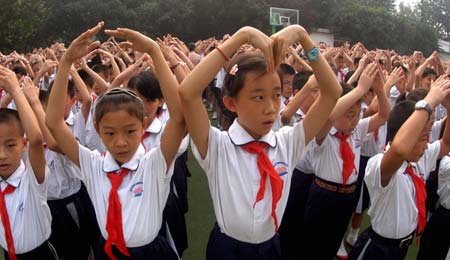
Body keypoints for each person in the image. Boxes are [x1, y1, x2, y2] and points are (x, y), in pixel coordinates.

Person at [179, 25, 342, 259]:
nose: (271, 107)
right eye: (258, 97)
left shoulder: (288, 142)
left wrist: (303, 37)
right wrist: (241, 36)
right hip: (228, 250)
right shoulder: (217, 146)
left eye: (277, 95)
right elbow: (188, 92)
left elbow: (331, 92)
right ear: (231, 103)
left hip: (271, 247)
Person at [46, 22, 186, 259]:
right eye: (110, 133)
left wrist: (154, 51)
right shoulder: (93, 164)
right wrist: (66, 62)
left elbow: (180, 119)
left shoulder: (154, 163)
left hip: (150, 253)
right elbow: (53, 124)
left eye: (130, 131)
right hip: (108, 251)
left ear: (143, 126)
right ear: (98, 130)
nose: (121, 142)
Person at [348, 76, 450, 260]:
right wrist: (427, 104)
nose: (427, 145)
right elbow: (399, 149)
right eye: (422, 138)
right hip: (377, 248)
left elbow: (446, 143)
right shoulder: (379, 163)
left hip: (401, 246)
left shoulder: (419, 158)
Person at [300, 63, 390, 260]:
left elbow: (384, 115)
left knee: (332, 241)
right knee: (312, 244)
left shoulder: (356, 131)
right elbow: (327, 116)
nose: (355, 120)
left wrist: (380, 89)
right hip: (324, 195)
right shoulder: (323, 133)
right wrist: (359, 89)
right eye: (350, 115)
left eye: (357, 115)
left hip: (347, 195)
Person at [0, 66, 56, 259]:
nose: (2, 155)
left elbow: (37, 139)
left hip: (38, 254)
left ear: (23, 145)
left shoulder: (31, 179)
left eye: (10, 145)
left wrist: (16, 91)